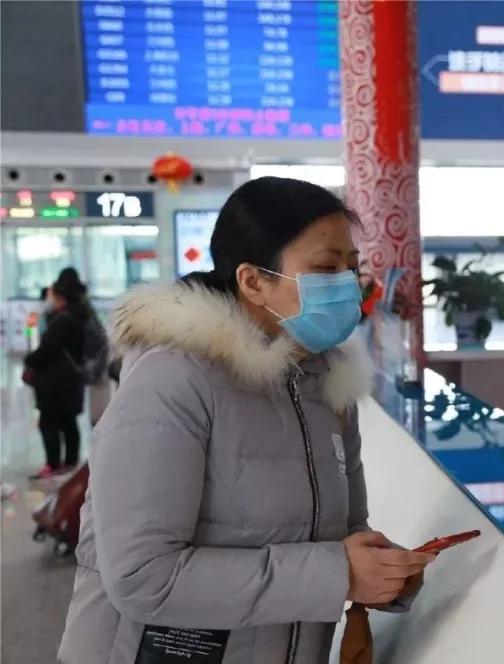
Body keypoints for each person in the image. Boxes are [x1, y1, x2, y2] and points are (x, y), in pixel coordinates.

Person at [59, 177, 434, 664]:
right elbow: (142, 576)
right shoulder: (174, 381)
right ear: (254, 280)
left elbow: (341, 537)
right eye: (325, 268)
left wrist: (380, 572)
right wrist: (336, 574)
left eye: (351, 266)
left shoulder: (327, 385)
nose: (346, 283)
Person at [23, 272, 91, 478]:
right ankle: (70, 463)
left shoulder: (62, 321)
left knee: (49, 423)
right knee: (68, 422)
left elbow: (47, 350)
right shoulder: (80, 316)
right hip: (70, 380)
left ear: (61, 299)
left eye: (51, 295)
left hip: (55, 382)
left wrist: (30, 360)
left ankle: (53, 465)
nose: (48, 299)